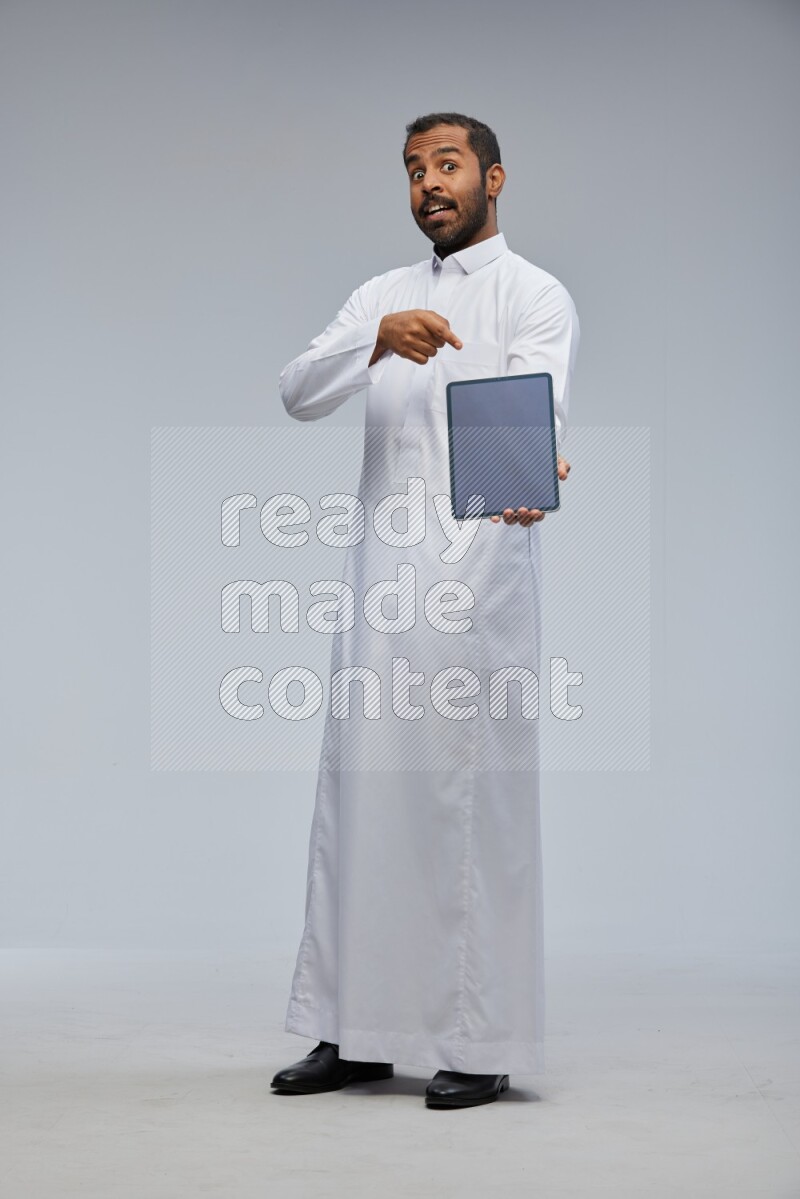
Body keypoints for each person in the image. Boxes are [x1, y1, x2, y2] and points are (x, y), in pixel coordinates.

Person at [271, 112, 580, 1109]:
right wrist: (372, 342)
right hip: (378, 589)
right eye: (412, 170)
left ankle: (477, 1038)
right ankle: (353, 1030)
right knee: (359, 805)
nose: (427, 184)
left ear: (492, 177)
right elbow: (296, 390)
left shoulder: (533, 294)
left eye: (445, 165)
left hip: (476, 589)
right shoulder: (382, 296)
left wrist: (534, 469)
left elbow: (532, 408)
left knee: (469, 812)